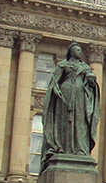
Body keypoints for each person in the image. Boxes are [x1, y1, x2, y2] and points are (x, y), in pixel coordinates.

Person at [40, 41, 100, 171]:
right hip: (65, 94)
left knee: (80, 121)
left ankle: (80, 149)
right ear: (71, 52)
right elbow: (54, 82)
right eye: (77, 50)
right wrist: (55, 89)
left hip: (80, 95)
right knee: (64, 121)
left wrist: (92, 83)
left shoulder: (85, 67)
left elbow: (90, 85)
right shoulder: (63, 65)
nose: (79, 52)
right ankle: (62, 148)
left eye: (80, 50)